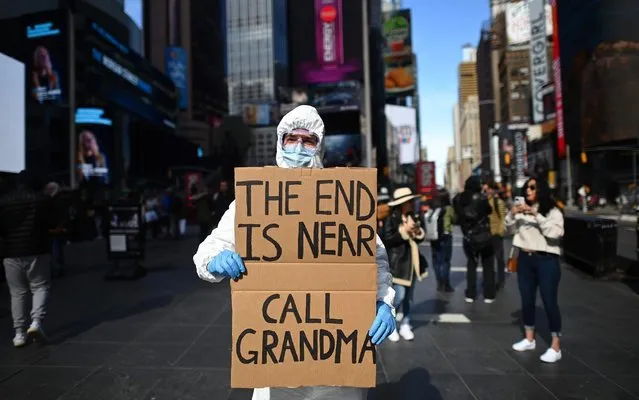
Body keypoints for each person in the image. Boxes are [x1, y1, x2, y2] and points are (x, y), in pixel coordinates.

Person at [192, 105, 396, 400]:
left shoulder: (344, 198)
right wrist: (216, 260)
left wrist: (383, 302)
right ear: (280, 142)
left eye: (308, 139)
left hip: (337, 367)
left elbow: (373, 259)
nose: (299, 146)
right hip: (277, 362)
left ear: (319, 146)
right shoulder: (254, 198)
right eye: (291, 138)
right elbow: (209, 250)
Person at [506, 178, 564, 363]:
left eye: (533, 187)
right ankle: (529, 338)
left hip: (546, 259)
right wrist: (513, 213)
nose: (528, 191)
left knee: (549, 301)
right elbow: (508, 229)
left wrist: (536, 214)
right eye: (526, 188)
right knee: (526, 298)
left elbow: (555, 233)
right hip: (525, 259)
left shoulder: (553, 211)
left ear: (541, 190)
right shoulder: (521, 210)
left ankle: (555, 346)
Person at [0, 171, 54, 347]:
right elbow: (51, 222)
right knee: (40, 286)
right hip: (37, 249)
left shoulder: (5, 201)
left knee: (17, 292)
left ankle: (18, 334)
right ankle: (36, 322)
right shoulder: (41, 200)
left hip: (11, 251)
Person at [381, 187, 427, 342]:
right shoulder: (391, 218)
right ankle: (391, 326)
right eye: (409, 201)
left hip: (412, 264)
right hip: (397, 263)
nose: (411, 204)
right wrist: (404, 231)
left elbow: (421, 237)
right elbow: (386, 239)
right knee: (398, 296)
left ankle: (406, 324)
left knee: (409, 298)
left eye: (412, 201)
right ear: (402, 203)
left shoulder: (414, 216)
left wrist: (416, 231)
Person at [454, 176, 495, 304]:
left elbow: (458, 216)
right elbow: (489, 210)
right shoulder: (481, 198)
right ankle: (488, 294)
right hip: (483, 236)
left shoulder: (458, 198)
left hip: (468, 236)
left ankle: (471, 293)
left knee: (471, 264)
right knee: (488, 264)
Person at [428, 191, 455, 292]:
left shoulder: (433, 208)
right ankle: (446, 283)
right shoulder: (448, 209)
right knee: (446, 261)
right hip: (446, 236)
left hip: (434, 236)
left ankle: (439, 282)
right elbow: (454, 219)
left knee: (436, 260)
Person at [486, 182, 507, 289]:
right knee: (488, 259)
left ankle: (500, 280)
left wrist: (500, 232)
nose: (487, 192)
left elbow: (503, 218)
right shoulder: (485, 201)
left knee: (499, 259)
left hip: (496, 234)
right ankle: (490, 279)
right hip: (487, 235)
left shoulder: (498, 202)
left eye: (488, 189)